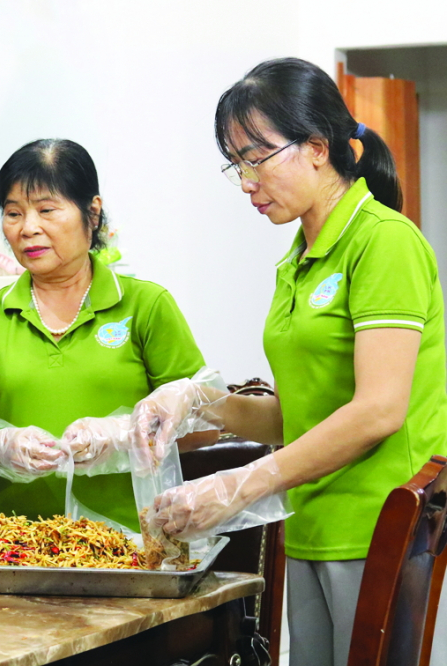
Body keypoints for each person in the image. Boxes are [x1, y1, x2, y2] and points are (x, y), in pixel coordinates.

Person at [131, 57, 447, 666]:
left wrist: (243, 483)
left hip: (376, 528)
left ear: (318, 148)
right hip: (307, 521)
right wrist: (200, 403)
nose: (246, 180)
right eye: (235, 164)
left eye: (257, 157)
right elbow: (296, 414)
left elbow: (379, 410)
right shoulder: (298, 258)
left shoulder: (383, 242)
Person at [0, 138, 214, 531]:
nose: (28, 228)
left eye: (47, 210)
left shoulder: (146, 306)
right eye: (14, 213)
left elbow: (203, 428)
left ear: (93, 212)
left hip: (133, 545)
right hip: (17, 549)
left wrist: (123, 437)